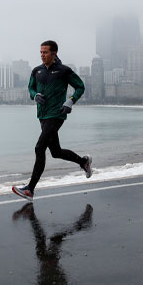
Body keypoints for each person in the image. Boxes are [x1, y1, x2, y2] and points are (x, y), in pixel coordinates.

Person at [12, 40, 92, 201]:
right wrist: (34, 95)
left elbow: (80, 86)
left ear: (54, 53)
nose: (42, 55)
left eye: (45, 52)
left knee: (39, 147)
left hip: (57, 114)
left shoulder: (64, 71)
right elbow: (30, 88)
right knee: (55, 152)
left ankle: (30, 189)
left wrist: (70, 101)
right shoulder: (37, 71)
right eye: (41, 52)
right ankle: (83, 162)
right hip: (42, 115)